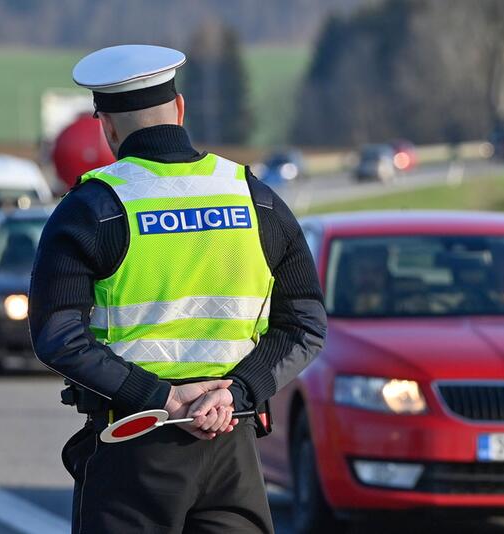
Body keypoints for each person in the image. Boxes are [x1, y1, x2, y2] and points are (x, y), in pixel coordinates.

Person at [29, 44, 327, 534]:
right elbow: (305, 325)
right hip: (233, 443)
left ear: (106, 126)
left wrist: (163, 399)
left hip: (133, 446)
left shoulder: (92, 207)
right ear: (180, 108)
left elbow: (59, 336)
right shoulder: (253, 197)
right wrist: (236, 392)